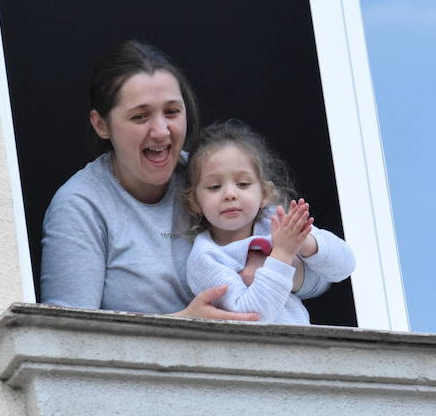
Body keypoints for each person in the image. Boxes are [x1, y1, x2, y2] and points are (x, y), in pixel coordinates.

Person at [43, 40, 337, 319]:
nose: (161, 131)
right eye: (140, 117)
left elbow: (320, 279)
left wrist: (273, 267)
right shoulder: (80, 205)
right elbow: (66, 338)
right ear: (101, 125)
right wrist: (183, 324)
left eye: (172, 112)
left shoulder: (212, 174)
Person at [183, 120, 355, 324]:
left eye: (243, 184)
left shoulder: (275, 224)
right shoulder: (206, 258)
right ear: (195, 202)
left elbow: (345, 267)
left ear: (264, 193)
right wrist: (282, 253)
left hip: (304, 348)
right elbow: (252, 317)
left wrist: (304, 243)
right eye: (214, 186)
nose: (229, 194)